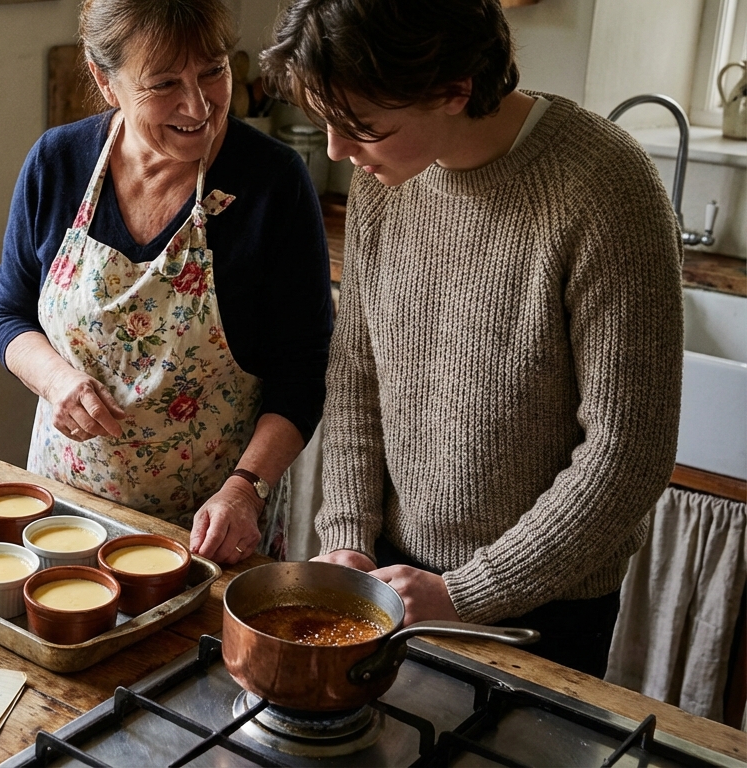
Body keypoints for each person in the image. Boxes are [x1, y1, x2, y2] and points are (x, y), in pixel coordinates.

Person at [260, 0, 683, 676]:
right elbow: (356, 377)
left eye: (362, 126)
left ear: (455, 91)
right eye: (328, 123)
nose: (337, 152)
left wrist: (466, 593)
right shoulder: (387, 176)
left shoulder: (606, 187)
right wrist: (347, 538)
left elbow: (627, 451)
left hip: (546, 603)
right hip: (394, 575)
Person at [0, 0, 333, 565]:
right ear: (106, 80)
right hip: (64, 514)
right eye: (165, 82)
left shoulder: (273, 184)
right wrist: (55, 381)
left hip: (211, 533)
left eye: (215, 71)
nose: (197, 105)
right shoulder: (57, 163)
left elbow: (301, 372)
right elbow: (9, 315)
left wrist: (246, 489)